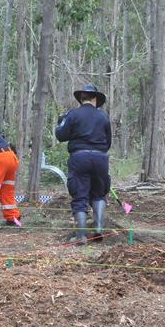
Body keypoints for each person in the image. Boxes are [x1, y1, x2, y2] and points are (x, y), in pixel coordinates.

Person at [55, 84, 111, 244]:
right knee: (99, 193)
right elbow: (108, 142)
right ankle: (98, 228)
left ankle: (81, 236)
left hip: (79, 157)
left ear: (81, 98)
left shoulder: (72, 114)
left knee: (80, 195)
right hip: (100, 158)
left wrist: (62, 122)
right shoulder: (103, 117)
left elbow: (61, 135)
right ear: (95, 99)